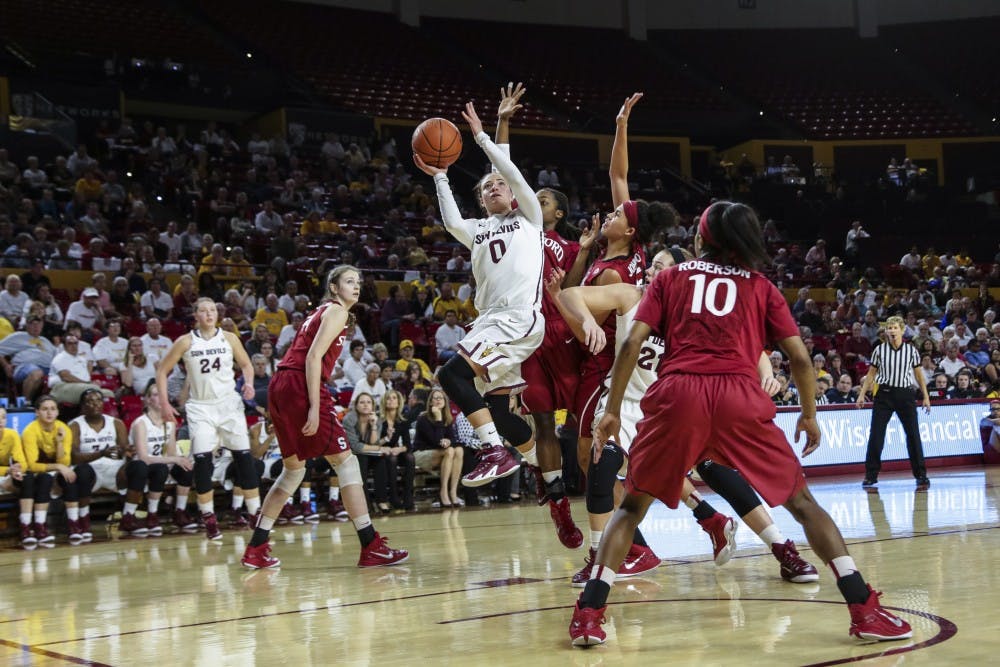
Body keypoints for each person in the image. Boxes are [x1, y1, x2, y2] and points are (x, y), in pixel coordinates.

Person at [568, 201, 912, 646]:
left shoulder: (672, 277)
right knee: (803, 504)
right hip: (738, 396)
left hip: (680, 394)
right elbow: (801, 359)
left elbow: (632, 341)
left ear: (703, 239)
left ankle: (590, 614)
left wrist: (612, 410)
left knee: (632, 507)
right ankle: (863, 607)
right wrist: (808, 415)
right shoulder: (761, 286)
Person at [550, 249, 818, 586]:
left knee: (714, 469)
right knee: (601, 466)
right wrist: (589, 319)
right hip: (629, 404)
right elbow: (573, 294)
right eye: (652, 266)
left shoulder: (694, 313)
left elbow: (748, 348)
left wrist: (765, 371)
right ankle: (598, 558)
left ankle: (782, 548)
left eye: (662, 267)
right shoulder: (630, 295)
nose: (652, 271)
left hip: (674, 410)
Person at [240, 265, 408, 569]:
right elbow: (314, 357)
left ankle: (256, 547)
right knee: (346, 462)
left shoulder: (320, 312)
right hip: (301, 386)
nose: (356, 287)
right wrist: (316, 408)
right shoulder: (336, 312)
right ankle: (370, 545)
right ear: (333, 287)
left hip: (282, 384)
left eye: (358, 282)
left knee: (293, 471)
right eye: (348, 281)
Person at [414, 101, 545, 489]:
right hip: (489, 323)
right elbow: (452, 220)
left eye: (499, 183)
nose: (494, 187)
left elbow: (512, 173)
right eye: (486, 187)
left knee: (451, 375)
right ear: (482, 200)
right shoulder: (477, 229)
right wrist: (440, 176)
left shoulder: (529, 217)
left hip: (517, 319)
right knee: (500, 412)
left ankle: (493, 452)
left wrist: (483, 138)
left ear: (513, 193)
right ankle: (543, 466)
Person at [496, 83, 584, 548]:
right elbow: (504, 170)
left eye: (546, 199)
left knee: (578, 425)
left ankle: (598, 496)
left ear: (561, 211)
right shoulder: (525, 228)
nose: (537, 201)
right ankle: (557, 504)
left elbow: (574, 293)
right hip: (530, 334)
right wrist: (504, 122)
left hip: (563, 334)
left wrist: (585, 255)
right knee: (544, 423)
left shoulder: (572, 247)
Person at [155, 297, 262, 541]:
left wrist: (249, 384)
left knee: (244, 459)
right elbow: (162, 371)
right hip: (201, 407)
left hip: (228, 404)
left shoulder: (230, 338)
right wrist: (164, 404)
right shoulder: (185, 341)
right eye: (203, 310)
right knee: (203, 462)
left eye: (212, 309)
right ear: (196, 316)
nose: (209, 313)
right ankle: (209, 517)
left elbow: (246, 364)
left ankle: (256, 513)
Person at [857, 315, 932, 488]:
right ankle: (871, 475)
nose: (891, 331)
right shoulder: (879, 350)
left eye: (894, 327)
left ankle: (921, 474)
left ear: (902, 330)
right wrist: (862, 394)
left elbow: (919, 375)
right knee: (876, 435)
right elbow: (871, 374)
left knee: (913, 434)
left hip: (905, 395)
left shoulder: (911, 351)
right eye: (889, 328)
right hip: (884, 394)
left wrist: (926, 396)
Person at [21, 395, 92, 546]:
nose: (49, 413)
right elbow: (32, 465)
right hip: (37, 473)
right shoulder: (30, 431)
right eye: (45, 409)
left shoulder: (64, 428)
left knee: (71, 478)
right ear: (37, 412)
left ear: (58, 412)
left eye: (53, 409)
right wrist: (59, 467)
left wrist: (59, 443)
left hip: (56, 470)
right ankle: (39, 526)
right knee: (44, 479)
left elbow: (65, 462)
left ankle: (74, 523)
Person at [68, 388, 135, 539]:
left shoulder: (116, 423)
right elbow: (74, 458)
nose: (95, 404)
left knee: (137, 468)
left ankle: (129, 515)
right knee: (82, 471)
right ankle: (83, 518)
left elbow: (124, 449)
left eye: (98, 400)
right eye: (90, 401)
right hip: (90, 472)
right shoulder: (74, 426)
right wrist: (100, 454)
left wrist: (129, 453)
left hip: (115, 471)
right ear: (83, 406)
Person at [131, 382, 197, 532]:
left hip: (162, 463)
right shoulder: (141, 423)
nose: (161, 399)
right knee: (161, 469)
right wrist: (174, 459)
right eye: (156, 395)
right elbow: (143, 458)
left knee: (186, 468)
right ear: (148, 400)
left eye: (163, 396)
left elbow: (172, 453)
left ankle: (179, 511)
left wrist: (181, 459)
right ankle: (152, 514)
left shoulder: (169, 423)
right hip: (141, 467)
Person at [413, 387, 463, 508]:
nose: (439, 400)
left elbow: (453, 439)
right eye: (435, 398)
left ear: (445, 402)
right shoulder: (423, 418)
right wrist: (438, 419)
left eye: (441, 398)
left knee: (458, 450)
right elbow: (435, 441)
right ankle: (443, 491)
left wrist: (448, 441)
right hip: (421, 454)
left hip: (441, 453)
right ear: (430, 402)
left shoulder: (448, 418)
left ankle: (453, 491)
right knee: (450, 451)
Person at [1, 405, 37, 547]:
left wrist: (16, 470)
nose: (0, 421)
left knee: (26, 478)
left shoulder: (11, 434)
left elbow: (22, 462)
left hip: (5, 474)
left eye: (3, 417)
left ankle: (26, 527)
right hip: (4, 473)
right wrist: (8, 471)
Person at [379, 389, 415, 510]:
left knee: (410, 457)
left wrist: (399, 449)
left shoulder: (402, 420)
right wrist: (387, 444)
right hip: (382, 452)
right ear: (384, 402)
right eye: (388, 398)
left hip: (395, 451)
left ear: (399, 402)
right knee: (392, 459)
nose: (391, 401)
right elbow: (375, 442)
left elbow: (408, 445)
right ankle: (393, 497)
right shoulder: (380, 420)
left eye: (394, 398)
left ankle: (408, 496)